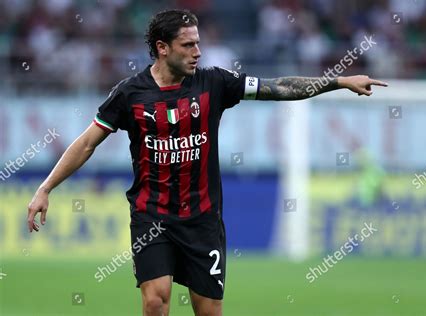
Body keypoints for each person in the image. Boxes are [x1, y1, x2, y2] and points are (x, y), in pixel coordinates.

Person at [27, 9, 388, 316]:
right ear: (162, 48)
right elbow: (88, 142)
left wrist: (338, 81)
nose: (198, 51)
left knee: (208, 310)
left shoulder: (215, 82)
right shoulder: (130, 94)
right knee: (156, 303)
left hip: (202, 220)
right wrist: (46, 187)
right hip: (152, 217)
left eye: (198, 43)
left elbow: (277, 87)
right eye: (188, 45)